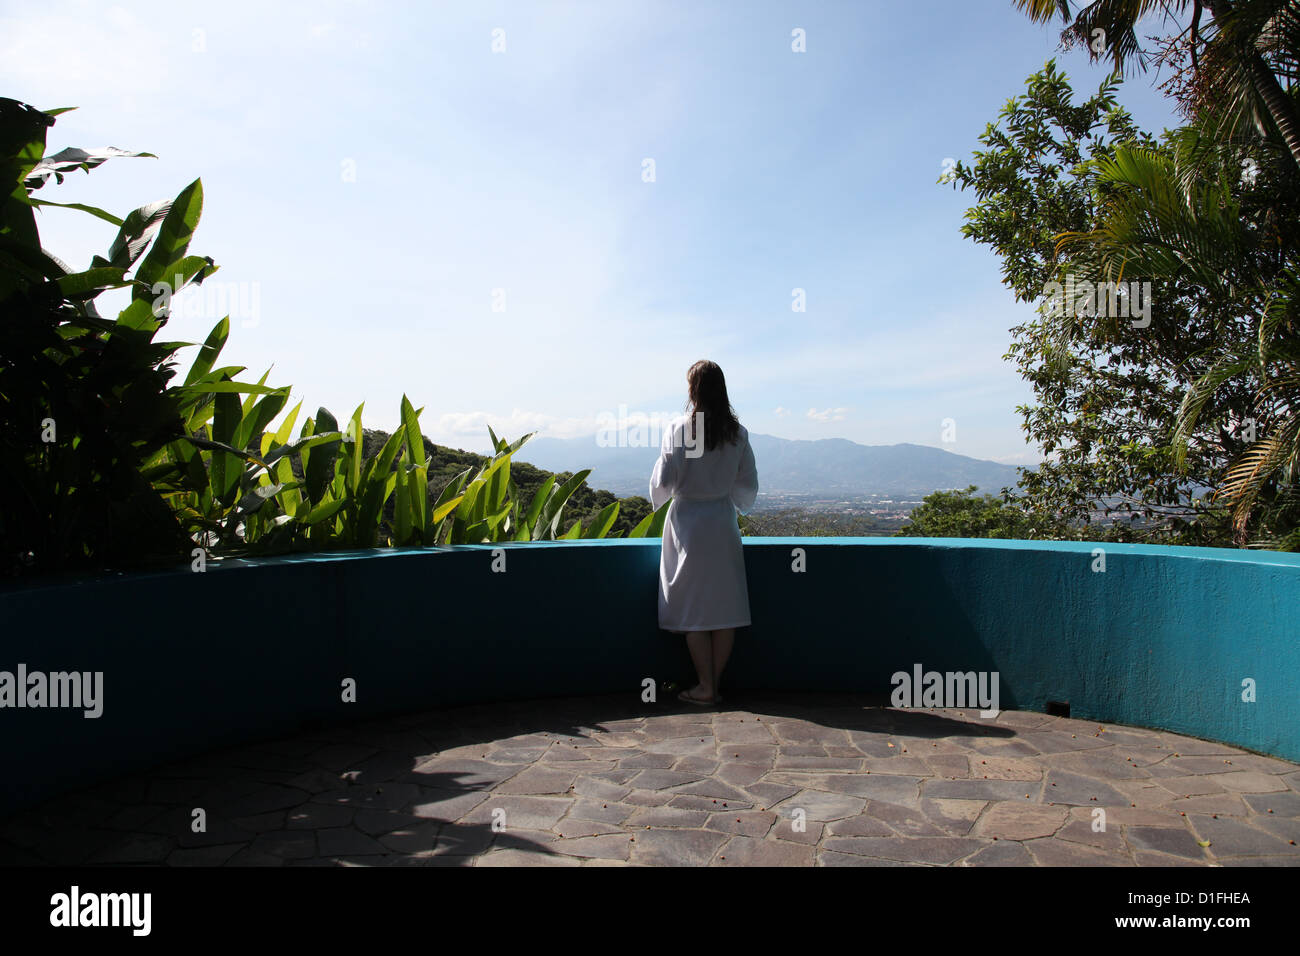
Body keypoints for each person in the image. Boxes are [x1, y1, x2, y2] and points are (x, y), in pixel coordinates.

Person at [649, 360, 758, 706]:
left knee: (694, 608)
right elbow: (747, 485)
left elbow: (664, 480)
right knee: (725, 609)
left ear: (692, 389)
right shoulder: (737, 433)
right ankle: (714, 684)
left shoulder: (681, 429)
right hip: (722, 523)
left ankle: (704, 686)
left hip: (688, 526)